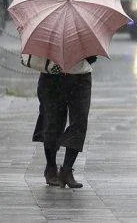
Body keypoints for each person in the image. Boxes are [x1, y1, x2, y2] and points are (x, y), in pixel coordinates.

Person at [22, 54, 97, 188]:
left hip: (81, 75)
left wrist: (91, 55)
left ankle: (67, 170)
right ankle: (51, 168)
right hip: (52, 76)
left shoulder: (82, 32)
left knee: (79, 122)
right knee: (52, 122)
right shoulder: (48, 32)